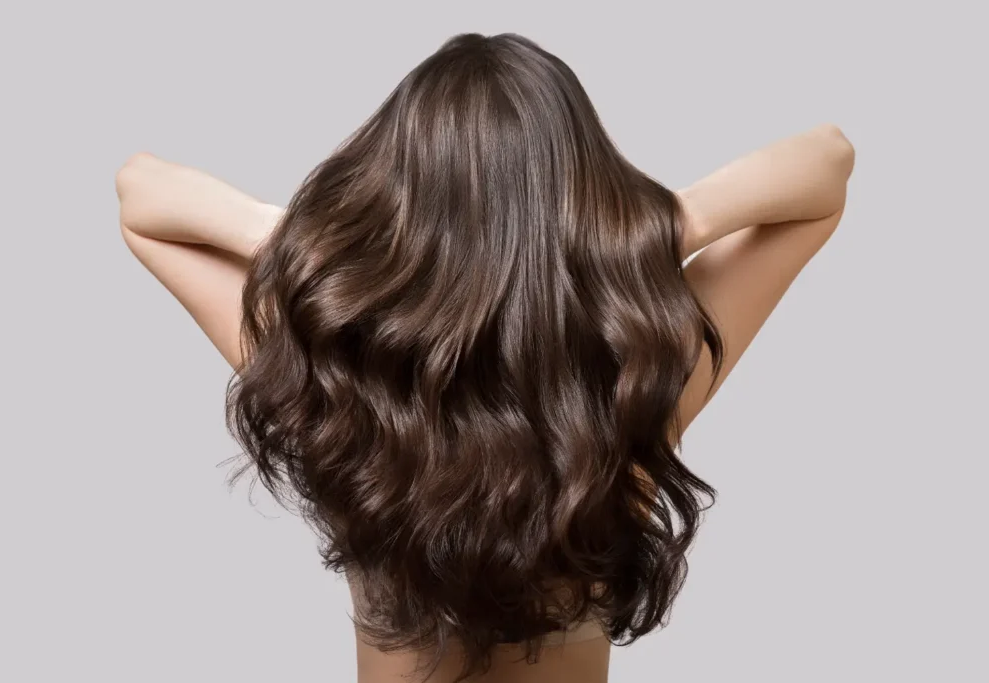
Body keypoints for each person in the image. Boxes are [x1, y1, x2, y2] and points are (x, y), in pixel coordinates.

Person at [115, 32, 854, 683]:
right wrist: (651, 227)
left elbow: (142, 196)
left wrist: (330, 248)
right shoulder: (637, 378)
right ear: (580, 202)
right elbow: (827, 165)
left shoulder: (336, 384)